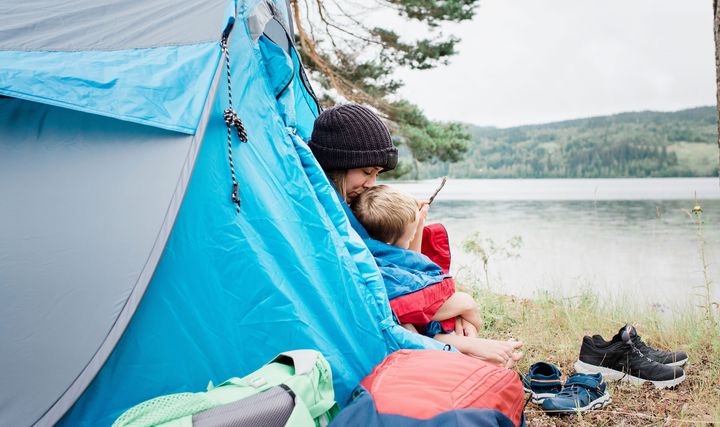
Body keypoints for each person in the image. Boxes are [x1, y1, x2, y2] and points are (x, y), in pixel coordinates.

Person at [309, 103, 523, 368]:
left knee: (454, 322)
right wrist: (464, 305)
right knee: (440, 320)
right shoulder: (325, 214)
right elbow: (387, 297)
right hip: (379, 323)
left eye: (376, 175)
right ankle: (462, 351)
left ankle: (460, 345)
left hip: (403, 319)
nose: (370, 184)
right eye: (366, 172)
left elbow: (401, 267)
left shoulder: (347, 207)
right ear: (339, 165)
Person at [351, 184, 483, 338]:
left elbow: (410, 263)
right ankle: (473, 344)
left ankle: (471, 344)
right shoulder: (390, 266)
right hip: (413, 321)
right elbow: (414, 278)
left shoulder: (370, 253)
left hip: (412, 324)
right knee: (467, 304)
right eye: (410, 237)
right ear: (388, 244)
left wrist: (418, 220)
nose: (412, 238)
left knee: (462, 319)